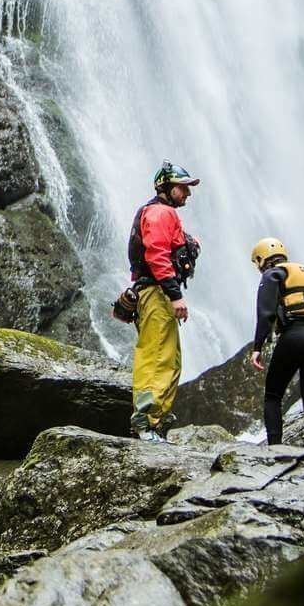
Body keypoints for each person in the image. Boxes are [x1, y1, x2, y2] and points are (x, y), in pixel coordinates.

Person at [123, 160, 202, 441]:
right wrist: (175, 295)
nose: (187, 194)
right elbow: (157, 255)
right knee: (157, 355)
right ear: (166, 187)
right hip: (156, 293)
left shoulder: (161, 212)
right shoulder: (159, 212)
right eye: (183, 188)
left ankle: (155, 421)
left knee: (169, 358)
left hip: (157, 293)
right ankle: (145, 421)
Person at [247, 238, 304, 456]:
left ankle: (276, 450)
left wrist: (258, 347)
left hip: (294, 336)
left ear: (262, 259)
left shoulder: (272, 275)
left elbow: (266, 314)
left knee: (273, 396)